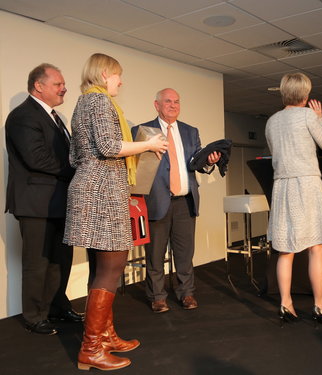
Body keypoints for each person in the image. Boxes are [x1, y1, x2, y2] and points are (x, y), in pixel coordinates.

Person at [63, 53, 168, 371]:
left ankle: (104, 336)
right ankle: (91, 348)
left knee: (102, 267)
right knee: (113, 265)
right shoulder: (98, 102)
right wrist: (149, 146)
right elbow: (109, 147)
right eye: (118, 75)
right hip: (101, 192)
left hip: (96, 188)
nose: (120, 81)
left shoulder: (85, 103)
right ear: (104, 73)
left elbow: (74, 156)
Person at [5, 63, 84, 335]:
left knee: (60, 260)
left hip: (59, 202)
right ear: (39, 86)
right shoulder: (22, 116)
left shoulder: (54, 117)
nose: (64, 88)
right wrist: (78, 168)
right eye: (58, 84)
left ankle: (57, 308)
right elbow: (37, 158)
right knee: (37, 263)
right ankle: (34, 316)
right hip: (36, 205)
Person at [131, 88, 220, 313]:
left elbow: (198, 163)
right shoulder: (142, 131)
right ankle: (157, 296)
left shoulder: (191, 132)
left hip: (185, 201)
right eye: (168, 101)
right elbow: (135, 167)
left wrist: (209, 161)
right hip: (156, 201)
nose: (173, 105)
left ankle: (186, 293)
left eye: (177, 101)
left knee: (184, 253)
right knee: (155, 255)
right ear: (157, 105)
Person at [265, 73, 322, 325]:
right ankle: (320, 306)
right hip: (307, 184)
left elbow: (276, 152)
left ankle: (286, 304)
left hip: (282, 186)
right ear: (305, 95)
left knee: (286, 250)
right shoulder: (308, 116)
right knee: (315, 247)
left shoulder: (272, 121)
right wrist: (319, 119)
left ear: (284, 92)